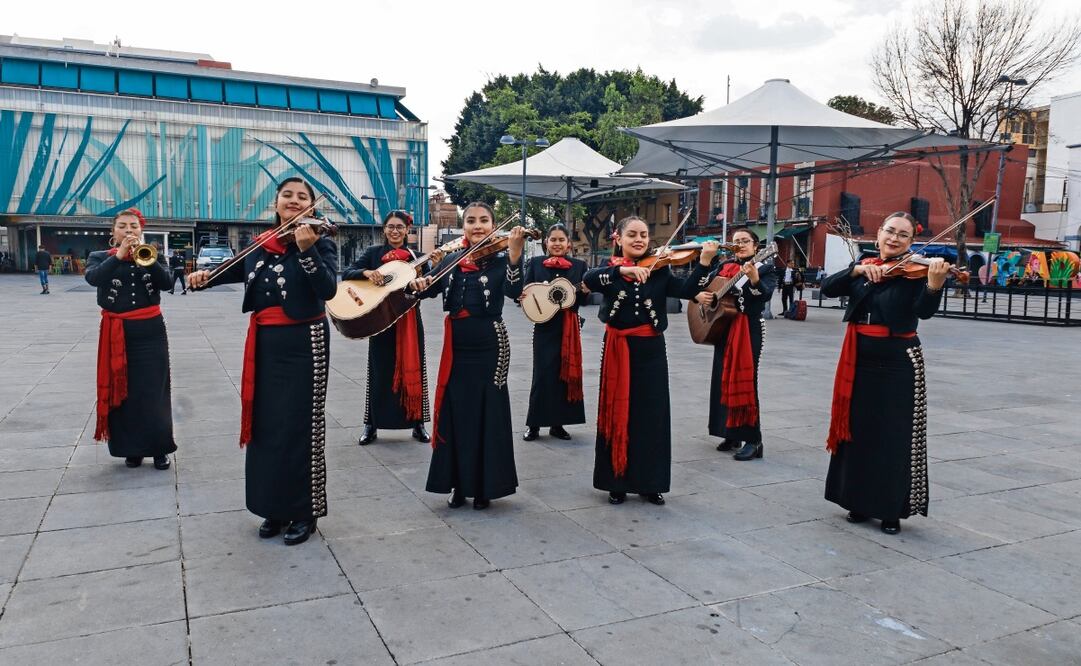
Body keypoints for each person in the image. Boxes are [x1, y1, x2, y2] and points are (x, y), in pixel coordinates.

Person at [188, 177, 337, 545]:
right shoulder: (260, 245)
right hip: (266, 345)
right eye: (287, 195)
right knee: (267, 426)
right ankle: (274, 506)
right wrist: (203, 277)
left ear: (311, 207)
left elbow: (328, 289)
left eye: (302, 197)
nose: (294, 201)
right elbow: (228, 271)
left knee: (300, 426)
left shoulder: (321, 242)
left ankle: (304, 511)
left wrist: (307, 250)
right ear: (276, 203)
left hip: (305, 343)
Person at [821, 212, 949, 535]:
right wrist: (857, 269)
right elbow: (827, 288)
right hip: (860, 357)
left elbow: (923, 312)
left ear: (911, 242)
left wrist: (934, 286)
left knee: (893, 436)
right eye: (890, 231)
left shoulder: (917, 271)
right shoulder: (865, 265)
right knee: (858, 432)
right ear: (878, 233)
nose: (894, 238)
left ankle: (891, 509)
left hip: (897, 360)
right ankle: (858, 501)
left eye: (903, 235)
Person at [408, 202, 525, 510]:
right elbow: (425, 289)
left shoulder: (502, 258)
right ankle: (458, 485)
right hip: (457, 348)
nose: (477, 225)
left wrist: (515, 255)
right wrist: (418, 282)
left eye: (484, 220)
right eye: (471, 220)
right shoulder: (452, 259)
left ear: (493, 226)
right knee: (457, 413)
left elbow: (514, 291)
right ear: (464, 227)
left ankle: (485, 487)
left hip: (490, 346)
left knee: (488, 413)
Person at [582, 216, 696, 506]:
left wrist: (705, 263)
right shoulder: (610, 269)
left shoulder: (659, 269)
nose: (639, 239)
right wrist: (624, 270)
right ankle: (616, 482)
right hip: (618, 347)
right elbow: (589, 279)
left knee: (652, 415)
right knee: (616, 411)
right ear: (618, 238)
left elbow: (687, 290)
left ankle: (650, 483)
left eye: (644, 235)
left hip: (651, 350)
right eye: (632, 234)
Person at [84, 209, 176, 470]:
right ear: (113, 231)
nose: (128, 230)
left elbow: (167, 282)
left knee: (154, 390)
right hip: (118, 332)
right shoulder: (99, 257)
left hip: (150, 332)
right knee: (123, 392)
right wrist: (119, 256)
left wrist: (147, 259)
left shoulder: (152, 254)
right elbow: (93, 278)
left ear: (141, 230)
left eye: (133, 226)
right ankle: (132, 449)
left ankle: (159, 449)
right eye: (122, 226)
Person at [683, 229, 777, 460]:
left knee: (744, 382)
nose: (740, 245)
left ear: (756, 246)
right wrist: (701, 296)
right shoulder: (724, 267)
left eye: (745, 241)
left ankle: (753, 440)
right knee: (722, 380)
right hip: (722, 328)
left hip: (747, 330)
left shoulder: (765, 268)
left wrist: (754, 279)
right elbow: (701, 286)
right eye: (736, 241)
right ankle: (731, 433)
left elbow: (764, 296)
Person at [343, 210, 432, 445]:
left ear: (407, 230)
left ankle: (418, 424)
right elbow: (347, 274)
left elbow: (432, 289)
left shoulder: (417, 257)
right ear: (384, 229)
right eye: (390, 227)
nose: (395, 231)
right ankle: (371, 424)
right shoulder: (374, 254)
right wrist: (367, 272)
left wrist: (424, 281)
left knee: (415, 369)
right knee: (378, 374)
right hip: (380, 322)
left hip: (409, 321)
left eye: (399, 227)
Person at [522, 223, 589, 442]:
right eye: (553, 240)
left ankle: (557, 425)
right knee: (541, 376)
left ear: (569, 244)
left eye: (561, 240)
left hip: (568, 327)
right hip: (544, 327)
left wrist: (586, 291)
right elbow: (526, 291)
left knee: (563, 375)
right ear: (546, 243)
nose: (557, 243)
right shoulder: (535, 263)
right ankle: (533, 425)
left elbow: (583, 300)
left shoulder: (580, 266)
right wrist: (524, 298)